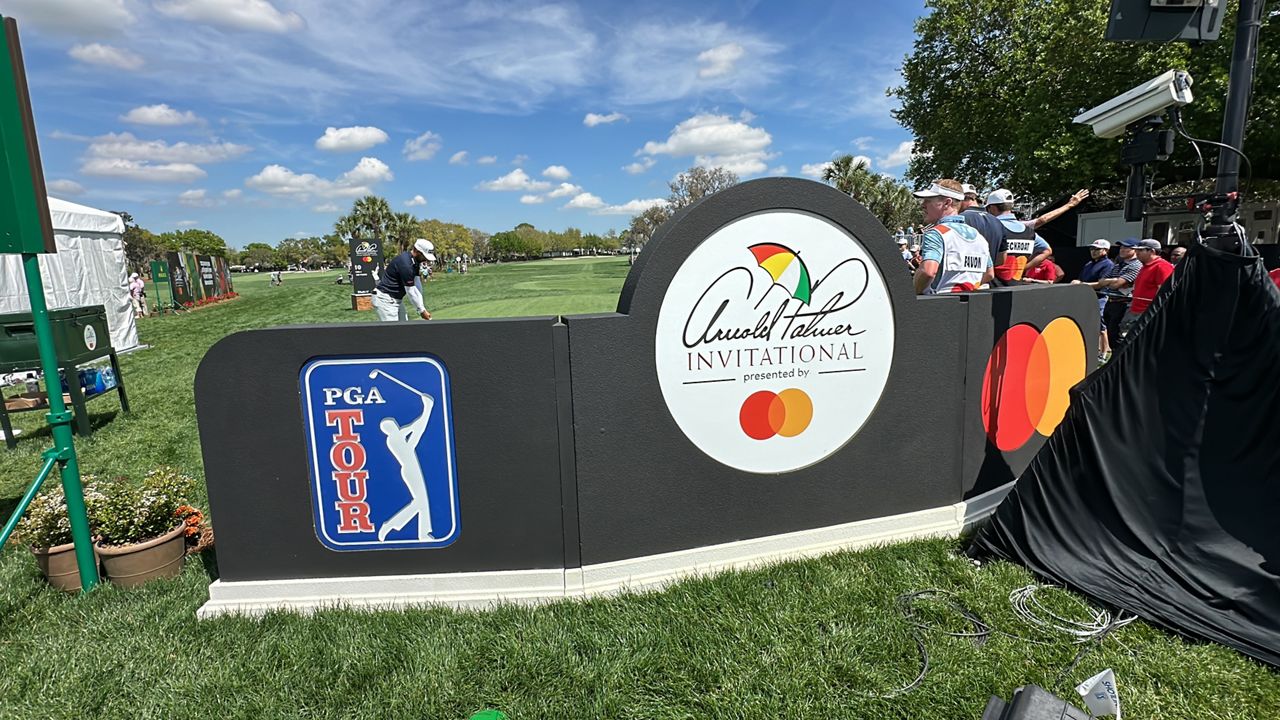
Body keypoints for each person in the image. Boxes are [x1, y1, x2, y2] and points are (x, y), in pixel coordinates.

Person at [911, 179, 993, 295]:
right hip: (969, 308)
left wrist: (912, 294)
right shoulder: (978, 236)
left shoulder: (936, 233)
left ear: (947, 203)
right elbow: (989, 274)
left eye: (928, 200)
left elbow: (928, 272)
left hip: (938, 306)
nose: (922, 205)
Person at [1086, 239, 1142, 354]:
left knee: (1118, 336)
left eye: (1126, 248)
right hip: (1111, 302)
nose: (1122, 250)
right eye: (1121, 247)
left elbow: (1116, 285)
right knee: (1111, 334)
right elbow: (1101, 282)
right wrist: (1111, 281)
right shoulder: (1118, 265)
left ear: (1135, 250)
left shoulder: (1137, 265)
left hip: (1124, 303)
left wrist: (1110, 281)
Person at [1120, 238, 1175, 338]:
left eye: (1140, 250)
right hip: (1134, 309)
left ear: (1152, 251)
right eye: (1136, 250)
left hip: (1148, 313)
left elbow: (1164, 292)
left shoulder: (1162, 266)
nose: (1137, 253)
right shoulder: (1144, 266)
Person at [1071, 239, 1115, 362]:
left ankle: (1105, 351)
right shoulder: (1089, 264)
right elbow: (1081, 279)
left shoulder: (1108, 265)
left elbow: (1101, 284)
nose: (1093, 251)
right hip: (1086, 296)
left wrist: (1082, 284)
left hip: (1099, 297)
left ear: (1105, 250)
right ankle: (1094, 349)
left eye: (1097, 249)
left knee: (1099, 323)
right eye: (1092, 249)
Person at [372, 238, 436, 322]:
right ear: (417, 251)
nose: (426, 259)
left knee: (403, 328)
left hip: (395, 299)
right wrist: (421, 311)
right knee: (393, 332)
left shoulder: (415, 262)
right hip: (385, 299)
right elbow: (410, 291)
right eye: (424, 255)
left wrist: (422, 307)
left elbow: (417, 284)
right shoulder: (406, 264)